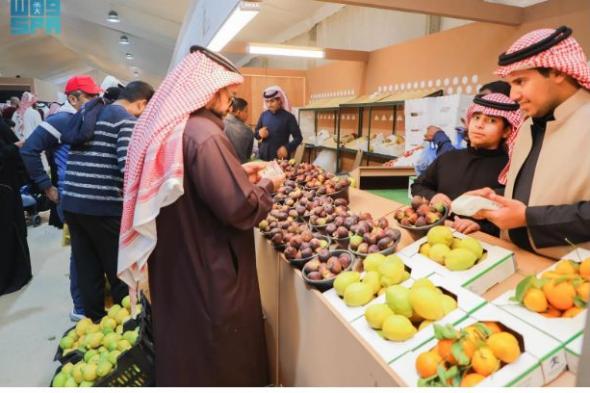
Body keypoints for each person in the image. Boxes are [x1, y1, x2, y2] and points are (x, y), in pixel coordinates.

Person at [118, 46, 284, 387]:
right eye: (227, 91)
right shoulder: (205, 136)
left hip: (179, 265)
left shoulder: (179, 130)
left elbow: (192, 187)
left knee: (184, 345)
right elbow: (241, 208)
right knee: (217, 351)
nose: (230, 98)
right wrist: (268, 183)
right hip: (209, 269)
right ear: (209, 91)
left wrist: (236, 173)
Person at [469, 25, 590, 257]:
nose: (513, 96)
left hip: (570, 278)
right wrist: (495, 199)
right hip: (511, 257)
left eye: (521, 82)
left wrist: (528, 219)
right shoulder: (528, 126)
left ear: (558, 72)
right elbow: (540, 193)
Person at [61, 81, 154, 322]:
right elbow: (128, 169)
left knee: (87, 268)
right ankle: (125, 324)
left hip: (72, 203)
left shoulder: (95, 111)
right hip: (102, 206)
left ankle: (94, 323)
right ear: (142, 103)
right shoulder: (125, 120)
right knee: (119, 270)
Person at [20, 75, 101, 320]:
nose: (95, 100)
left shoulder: (84, 117)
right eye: (89, 96)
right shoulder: (59, 120)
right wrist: (47, 187)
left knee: (89, 251)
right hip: (69, 195)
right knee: (82, 252)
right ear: (73, 98)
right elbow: (29, 150)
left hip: (86, 195)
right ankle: (81, 306)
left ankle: (89, 302)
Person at [411, 93, 522, 236]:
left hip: (482, 243)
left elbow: (514, 218)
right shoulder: (448, 158)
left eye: (492, 120)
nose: (479, 125)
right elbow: (418, 186)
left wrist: (478, 226)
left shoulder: (510, 169)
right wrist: (433, 196)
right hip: (436, 233)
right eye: (476, 117)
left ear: (506, 131)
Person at [0, 117, 32, 296]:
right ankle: (10, 276)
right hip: (4, 190)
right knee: (7, 231)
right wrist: (16, 146)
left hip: (7, 186)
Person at [254, 86, 302, 161]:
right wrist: (259, 134)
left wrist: (287, 148)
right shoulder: (263, 115)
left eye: (272, 101)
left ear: (279, 100)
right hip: (263, 156)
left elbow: (298, 138)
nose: (269, 104)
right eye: (267, 101)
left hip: (280, 157)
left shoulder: (289, 117)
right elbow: (256, 134)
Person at [224, 97, 254, 163]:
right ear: (238, 112)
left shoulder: (219, 124)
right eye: (246, 111)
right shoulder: (248, 131)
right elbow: (248, 155)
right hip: (240, 167)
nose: (247, 114)